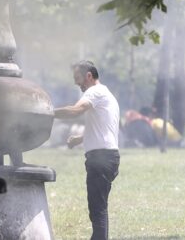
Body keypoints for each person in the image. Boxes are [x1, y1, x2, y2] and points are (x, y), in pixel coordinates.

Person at [54, 61, 120, 240]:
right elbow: (105, 128)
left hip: (102, 158)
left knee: (97, 210)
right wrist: (80, 139)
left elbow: (76, 111)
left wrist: (48, 113)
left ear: (89, 76)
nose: (77, 83)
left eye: (78, 78)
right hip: (107, 157)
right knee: (98, 209)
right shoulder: (106, 94)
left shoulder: (95, 92)